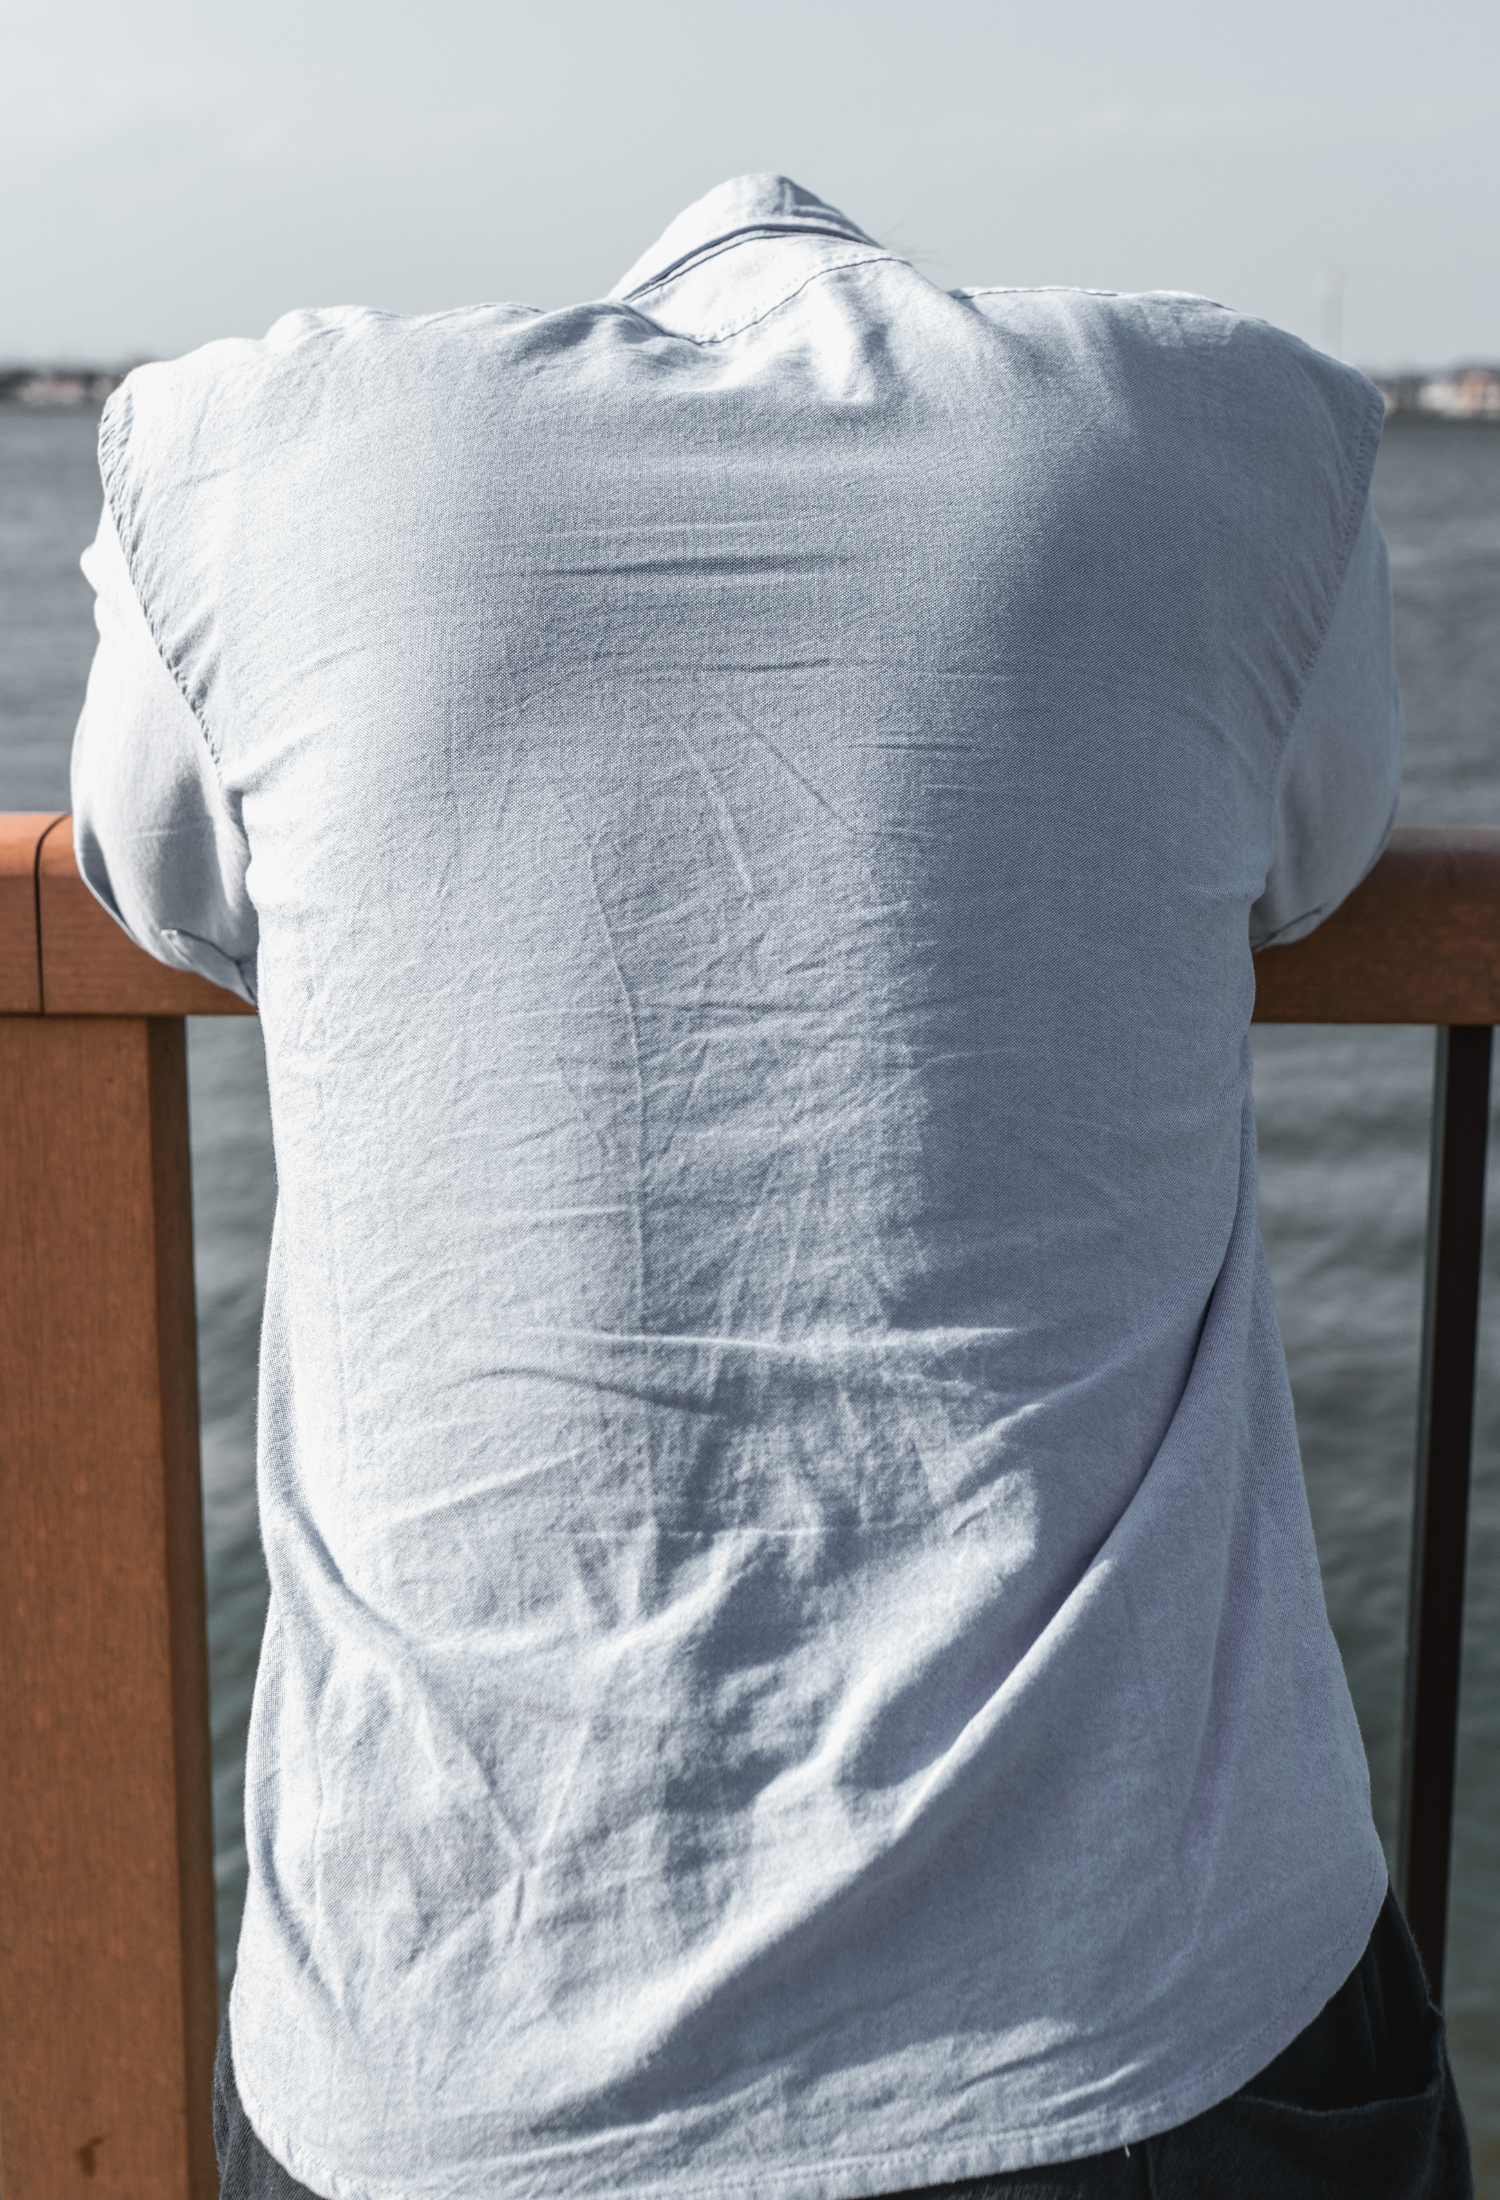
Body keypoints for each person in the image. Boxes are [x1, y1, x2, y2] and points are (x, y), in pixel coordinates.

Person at [71, 174, 1469, 2200]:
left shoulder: (256, 448)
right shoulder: (1212, 423)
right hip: (1157, 2021)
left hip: (449, 2048)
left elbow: (166, 872)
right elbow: (1316, 850)